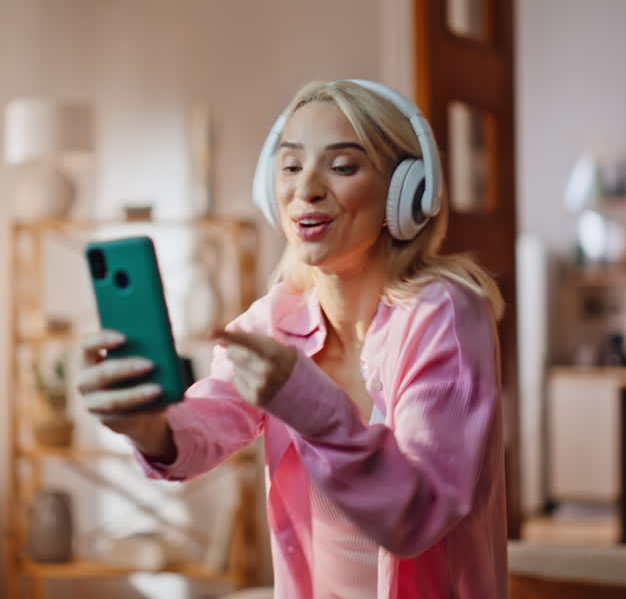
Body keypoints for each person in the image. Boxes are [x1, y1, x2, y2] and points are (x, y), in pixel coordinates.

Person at [77, 79, 507, 598]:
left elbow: (418, 517)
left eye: (343, 166)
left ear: (406, 193)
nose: (307, 188)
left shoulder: (445, 314)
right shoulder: (273, 321)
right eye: (291, 166)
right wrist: (150, 429)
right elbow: (203, 430)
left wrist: (309, 403)